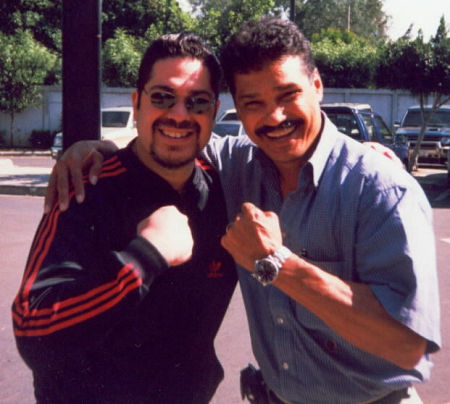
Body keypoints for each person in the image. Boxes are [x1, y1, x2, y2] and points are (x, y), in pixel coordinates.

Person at [43, 17, 440, 404]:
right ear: (232, 109)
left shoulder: (380, 189)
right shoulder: (235, 166)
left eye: (288, 96)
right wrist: (94, 149)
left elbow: (407, 346)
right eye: (254, 103)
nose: (274, 117)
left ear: (317, 85)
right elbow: (174, 134)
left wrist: (276, 263)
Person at [12, 33, 238, 404]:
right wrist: (145, 257)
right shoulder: (88, 190)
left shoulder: (223, 191)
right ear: (137, 105)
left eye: (196, 102)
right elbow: (33, 330)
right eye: (162, 97)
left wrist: (370, 155)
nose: (179, 114)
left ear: (214, 112)